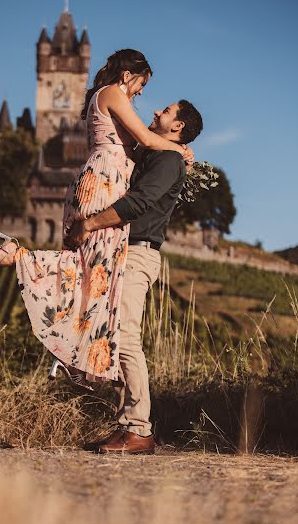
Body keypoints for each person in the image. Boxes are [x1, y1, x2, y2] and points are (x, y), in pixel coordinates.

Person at [0, 49, 193, 391]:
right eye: (141, 84)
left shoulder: (108, 98)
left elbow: (141, 149)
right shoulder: (110, 94)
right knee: (94, 270)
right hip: (102, 184)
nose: (141, 93)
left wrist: (173, 150)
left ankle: (71, 357)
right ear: (126, 75)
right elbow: (148, 140)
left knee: (89, 272)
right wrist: (181, 149)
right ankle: (72, 352)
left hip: (103, 180)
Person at [67, 99, 203, 454]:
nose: (157, 111)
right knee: (115, 336)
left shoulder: (168, 160)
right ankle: (126, 425)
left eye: (167, 111)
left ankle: (139, 430)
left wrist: (91, 223)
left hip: (138, 252)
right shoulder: (160, 154)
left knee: (126, 338)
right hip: (124, 250)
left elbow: (139, 203)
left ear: (178, 127)